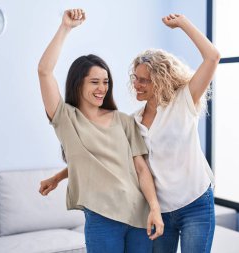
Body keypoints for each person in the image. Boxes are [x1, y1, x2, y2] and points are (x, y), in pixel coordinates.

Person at [37, 9, 163, 253]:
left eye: (105, 82)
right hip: (102, 219)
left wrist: (155, 209)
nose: (101, 88)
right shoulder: (66, 119)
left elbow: (140, 169)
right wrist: (66, 28)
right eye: (94, 82)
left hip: (140, 215)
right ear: (78, 83)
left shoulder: (124, 121)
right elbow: (44, 71)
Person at [130, 13, 220, 253]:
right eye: (135, 78)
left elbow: (213, 57)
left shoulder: (184, 101)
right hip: (160, 210)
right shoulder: (133, 121)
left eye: (144, 81)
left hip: (196, 204)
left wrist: (182, 24)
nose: (136, 85)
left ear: (160, 80)